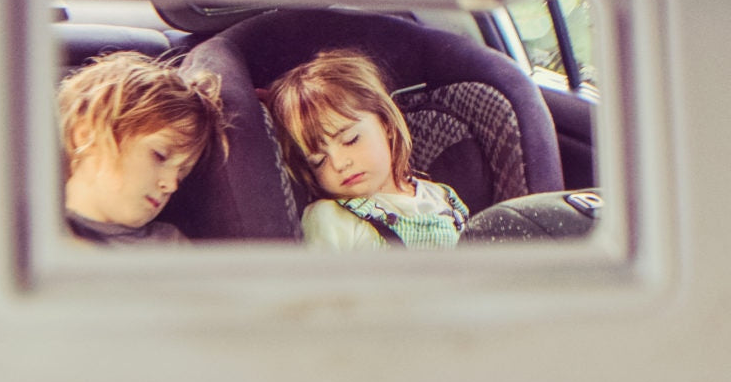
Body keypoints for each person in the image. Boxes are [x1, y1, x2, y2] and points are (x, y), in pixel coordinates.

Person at [268, 49, 470, 250]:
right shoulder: (331, 217)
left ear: (387, 125)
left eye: (351, 140)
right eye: (318, 161)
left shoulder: (442, 196)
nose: (339, 164)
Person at [58, 50, 227, 244]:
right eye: (160, 156)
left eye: (182, 174)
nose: (171, 185)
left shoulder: (169, 245)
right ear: (87, 136)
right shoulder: (30, 237)